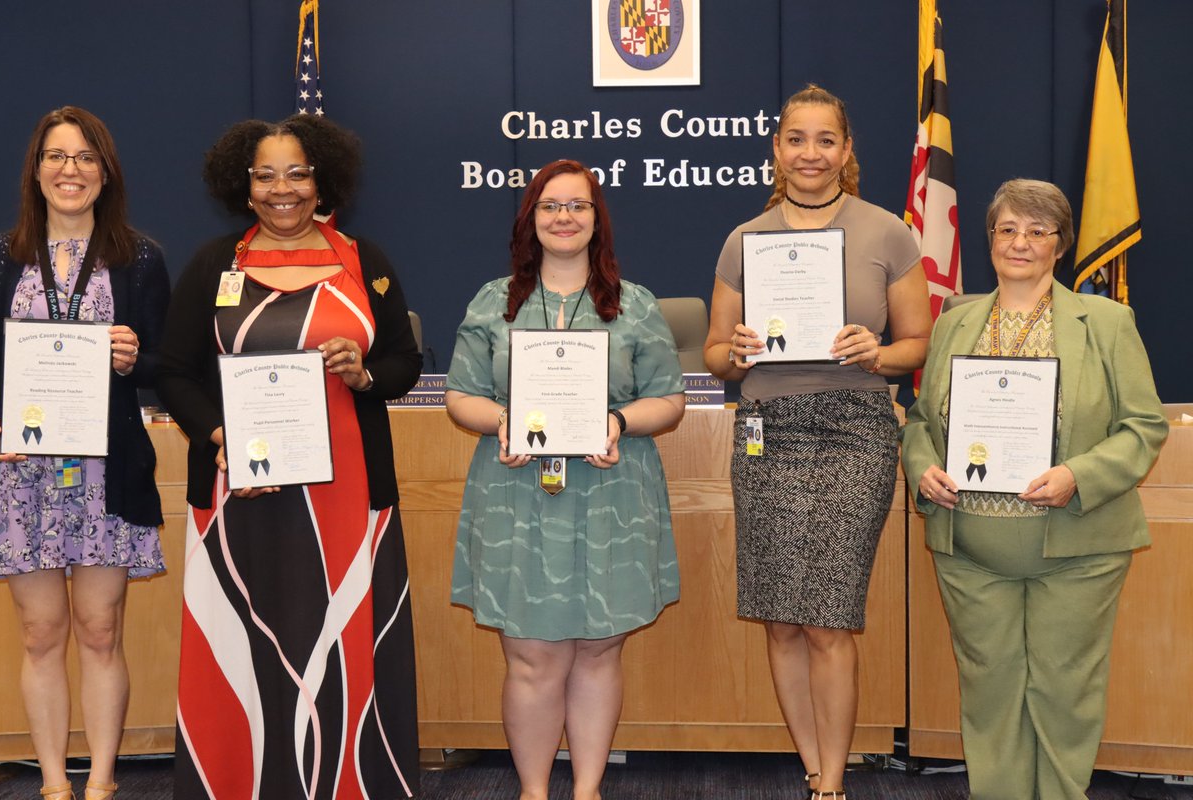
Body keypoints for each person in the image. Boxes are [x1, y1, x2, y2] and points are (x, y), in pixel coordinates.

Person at [156, 115, 422, 799]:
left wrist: (365, 374)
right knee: (251, 642)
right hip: (239, 494)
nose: (283, 189)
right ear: (244, 188)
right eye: (266, 175)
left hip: (347, 498)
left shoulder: (365, 261)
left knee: (335, 640)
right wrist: (217, 436)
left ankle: (346, 782)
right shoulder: (215, 263)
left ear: (320, 179)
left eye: (297, 173)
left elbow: (403, 361)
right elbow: (175, 370)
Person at [901, 179, 1167, 799]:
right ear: (989, 238)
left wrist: (1078, 475)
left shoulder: (1105, 322)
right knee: (989, 691)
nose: (1020, 243)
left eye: (1037, 231)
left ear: (1060, 244)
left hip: (1076, 547)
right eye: (1007, 229)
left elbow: (1144, 426)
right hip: (971, 549)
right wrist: (922, 468)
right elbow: (918, 422)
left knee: (1064, 690)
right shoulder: (955, 320)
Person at [704, 85, 932, 800]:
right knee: (778, 614)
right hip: (767, 430)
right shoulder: (745, 238)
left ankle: (831, 781)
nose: (811, 153)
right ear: (777, 149)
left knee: (828, 616)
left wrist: (878, 350)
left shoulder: (888, 232)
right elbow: (715, 354)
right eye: (796, 139)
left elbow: (919, 343)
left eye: (825, 139)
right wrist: (735, 352)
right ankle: (812, 762)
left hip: (855, 430)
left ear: (846, 150)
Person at [446, 159, 685, 800]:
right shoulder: (492, 301)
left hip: (612, 491)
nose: (564, 218)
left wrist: (618, 421)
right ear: (531, 219)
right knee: (532, 656)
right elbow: (459, 395)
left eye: (578, 206)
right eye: (551, 206)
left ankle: (586, 791)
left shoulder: (633, 306)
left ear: (596, 220)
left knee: (600, 649)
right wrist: (503, 421)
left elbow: (669, 400)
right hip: (516, 492)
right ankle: (532, 791)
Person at [0, 106, 169, 800]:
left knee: (99, 630)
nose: (71, 171)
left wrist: (133, 358)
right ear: (36, 172)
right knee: (40, 634)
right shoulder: (3, 259)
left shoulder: (140, 257)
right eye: (57, 157)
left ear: (106, 172)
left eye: (85, 157)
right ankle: (51, 783)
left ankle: (99, 781)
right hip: (24, 474)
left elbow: (169, 363)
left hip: (107, 471)